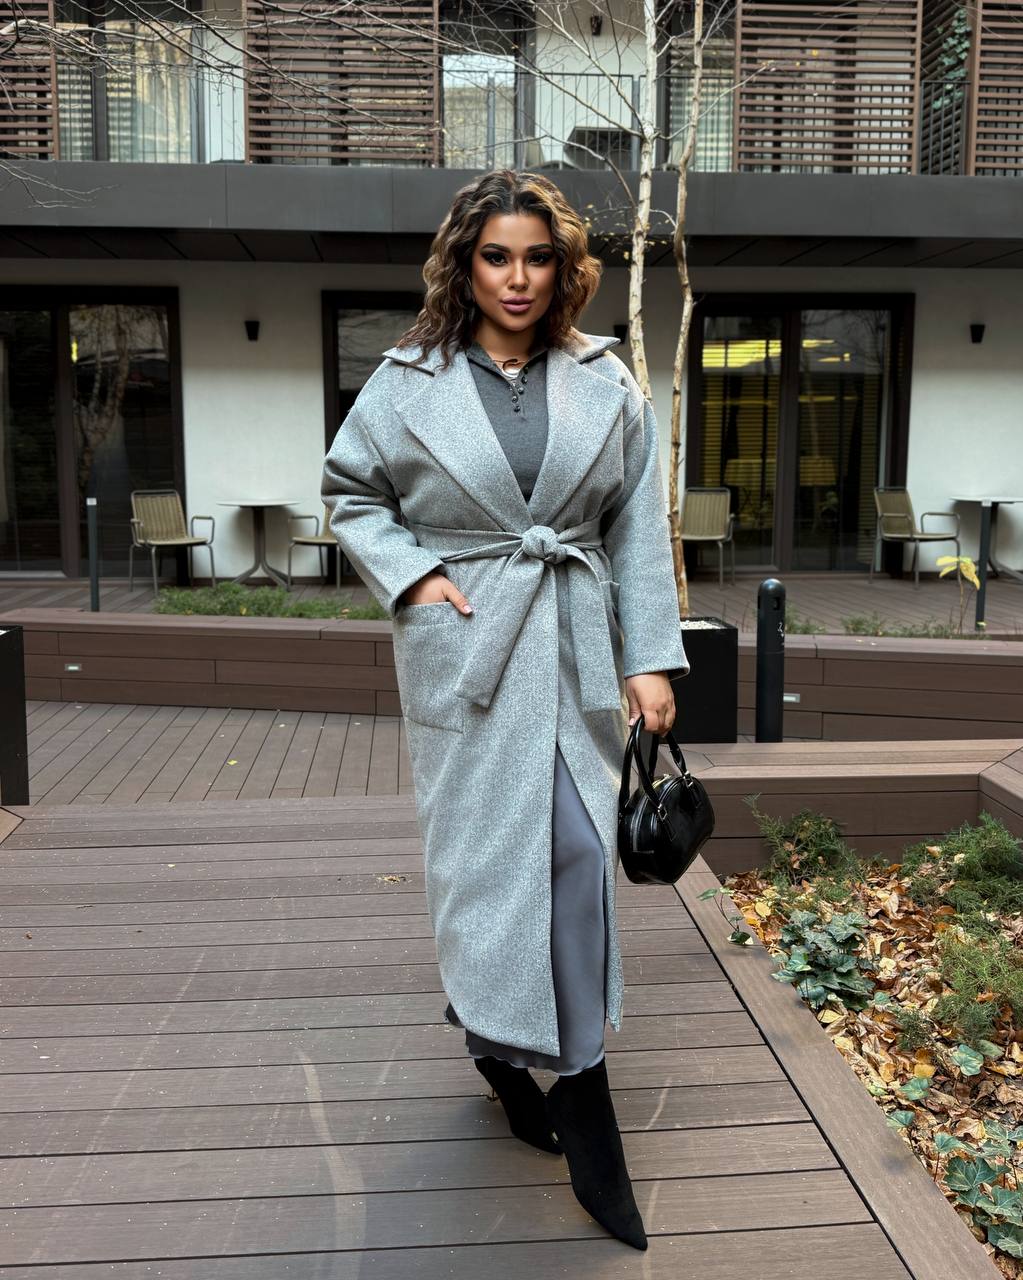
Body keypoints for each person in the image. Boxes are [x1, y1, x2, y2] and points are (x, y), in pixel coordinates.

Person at [322, 169, 688, 1251]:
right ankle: (495, 1045)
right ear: (463, 265)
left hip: (573, 644)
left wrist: (649, 658)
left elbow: (633, 527)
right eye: (496, 257)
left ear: (563, 268)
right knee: (484, 873)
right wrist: (417, 579)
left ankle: (584, 1096)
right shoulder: (407, 381)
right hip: (472, 646)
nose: (517, 278)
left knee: (575, 855)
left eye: (537, 257)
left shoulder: (605, 381)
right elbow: (351, 494)